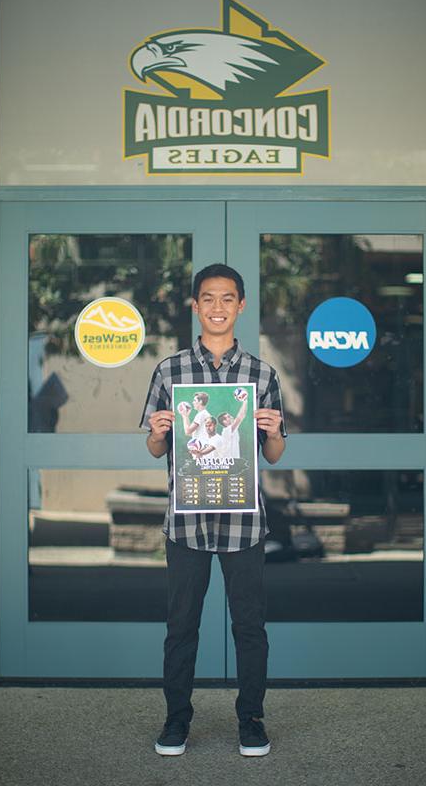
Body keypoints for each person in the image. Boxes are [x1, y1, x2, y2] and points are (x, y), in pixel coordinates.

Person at [140, 263, 286, 758]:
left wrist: (274, 430)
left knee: (250, 626)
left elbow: (274, 454)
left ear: (240, 305)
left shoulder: (261, 374)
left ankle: (252, 720)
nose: (218, 307)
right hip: (187, 520)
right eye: (208, 298)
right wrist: (159, 433)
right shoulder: (170, 370)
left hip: (245, 523)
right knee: (182, 626)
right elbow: (156, 450)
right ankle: (176, 720)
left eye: (227, 298)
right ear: (195, 306)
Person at [217, 391, 248, 458]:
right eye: (228, 417)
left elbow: (243, 414)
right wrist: (244, 400)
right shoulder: (227, 430)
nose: (231, 417)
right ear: (224, 422)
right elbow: (240, 417)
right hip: (229, 464)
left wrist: (245, 401)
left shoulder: (232, 429)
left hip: (233, 463)